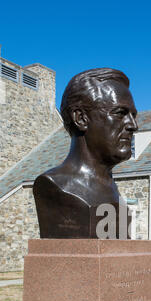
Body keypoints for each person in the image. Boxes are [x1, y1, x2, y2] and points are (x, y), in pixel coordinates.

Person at [33, 68, 138, 238]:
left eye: (133, 115)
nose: (133, 125)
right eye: (120, 113)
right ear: (80, 119)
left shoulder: (113, 192)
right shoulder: (55, 185)